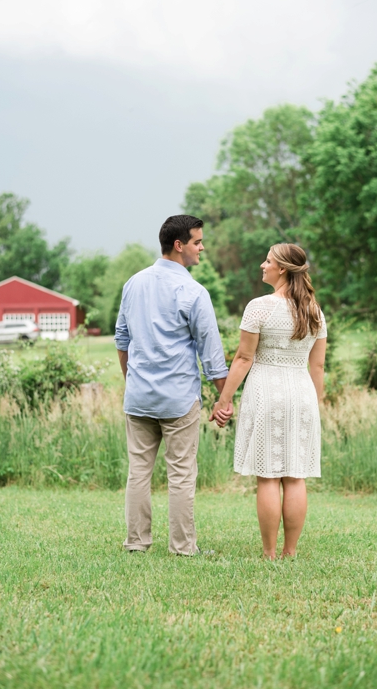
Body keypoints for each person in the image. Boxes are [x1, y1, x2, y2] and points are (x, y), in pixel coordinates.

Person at [115, 215, 231, 556]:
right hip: (179, 400)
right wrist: (224, 399)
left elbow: (122, 340)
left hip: (138, 397)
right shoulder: (193, 292)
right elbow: (211, 354)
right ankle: (182, 547)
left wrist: (132, 380)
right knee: (181, 475)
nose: (202, 248)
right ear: (179, 245)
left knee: (138, 472)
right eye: (197, 241)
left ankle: (136, 542)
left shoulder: (133, 283)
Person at [211, 243, 326, 560]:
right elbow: (317, 366)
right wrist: (316, 404)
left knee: (268, 476)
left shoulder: (259, 307)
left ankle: (269, 552)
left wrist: (224, 400)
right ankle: (290, 551)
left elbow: (243, 358)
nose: (263, 265)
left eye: (268, 261)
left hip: (266, 392)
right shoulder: (314, 311)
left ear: (283, 269)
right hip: (301, 393)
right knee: (295, 475)